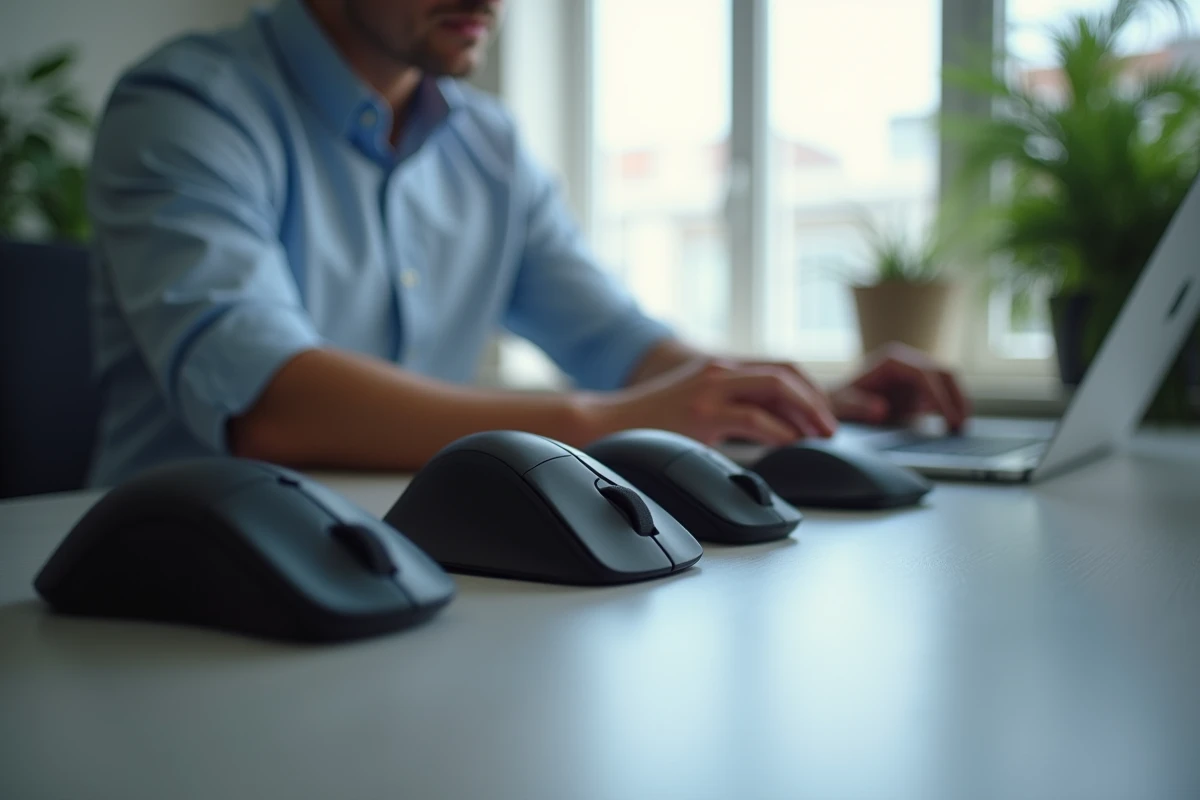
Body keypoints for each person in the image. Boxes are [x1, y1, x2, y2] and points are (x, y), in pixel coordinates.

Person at [85, 0, 970, 488]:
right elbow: (272, 406)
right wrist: (605, 425)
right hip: (167, 584)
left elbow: (625, 350)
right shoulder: (187, 106)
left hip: (379, 558)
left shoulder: (488, 146)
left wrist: (803, 398)